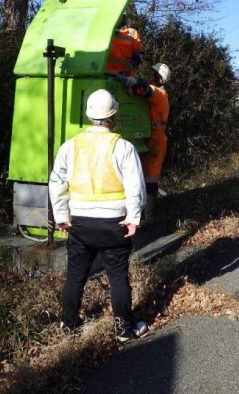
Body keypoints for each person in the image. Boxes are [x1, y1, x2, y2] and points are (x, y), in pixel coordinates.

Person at [49, 89, 148, 342]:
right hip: (115, 223)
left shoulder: (70, 146)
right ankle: (124, 330)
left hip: (79, 223)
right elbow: (135, 187)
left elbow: (57, 181)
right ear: (113, 115)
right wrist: (134, 218)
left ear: (88, 115)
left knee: (75, 276)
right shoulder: (123, 147)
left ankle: (69, 327)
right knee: (117, 277)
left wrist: (61, 216)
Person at [114, 62, 171, 225]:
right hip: (152, 139)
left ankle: (149, 219)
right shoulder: (160, 94)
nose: (151, 76)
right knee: (143, 177)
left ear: (159, 78)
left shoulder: (159, 93)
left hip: (156, 141)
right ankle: (144, 215)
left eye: (153, 74)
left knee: (150, 179)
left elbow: (143, 89)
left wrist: (126, 80)